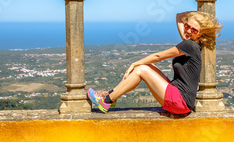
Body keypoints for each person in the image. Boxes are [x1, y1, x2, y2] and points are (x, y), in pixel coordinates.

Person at [87, 11, 222, 115]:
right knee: (149, 66)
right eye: (187, 26)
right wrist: (196, 15)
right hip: (179, 97)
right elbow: (179, 17)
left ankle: (106, 101)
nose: (188, 31)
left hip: (180, 101)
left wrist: (134, 63)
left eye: (194, 30)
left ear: (200, 34)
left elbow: (158, 56)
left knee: (141, 69)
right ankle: (112, 94)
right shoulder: (191, 42)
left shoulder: (189, 45)